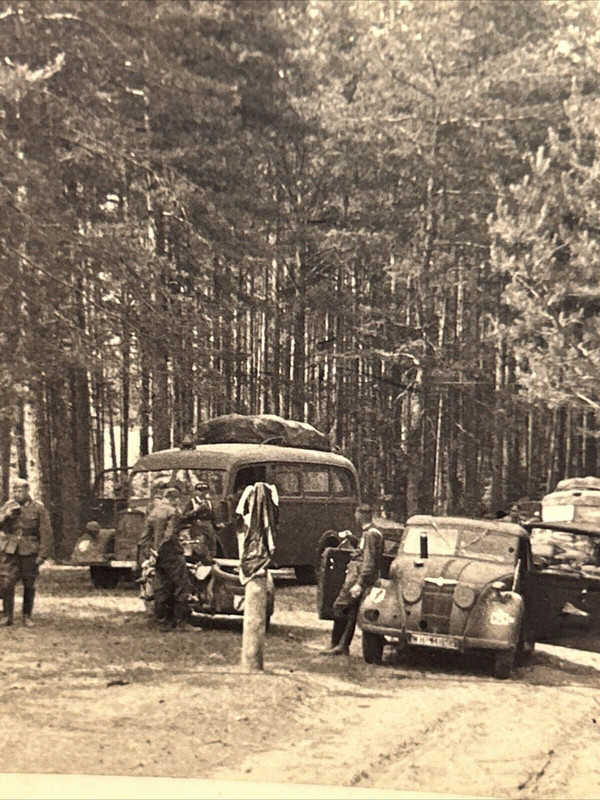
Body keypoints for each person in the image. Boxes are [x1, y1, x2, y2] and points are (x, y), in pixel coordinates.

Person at [321, 504, 383, 656]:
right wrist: (352, 539)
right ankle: (342, 646)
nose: (355, 518)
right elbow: (364, 551)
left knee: (340, 606)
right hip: (360, 576)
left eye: (356, 514)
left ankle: (337, 643)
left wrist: (359, 584)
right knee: (351, 611)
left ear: (360, 516)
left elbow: (368, 562)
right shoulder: (371, 533)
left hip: (357, 578)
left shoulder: (370, 535)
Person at [0, 478, 54, 627]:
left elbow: (46, 532)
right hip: (10, 549)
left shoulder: (38, 508)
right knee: (6, 582)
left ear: (27, 491)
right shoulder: (8, 506)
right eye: (15, 491)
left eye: (20, 491)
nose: (17, 494)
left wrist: (43, 554)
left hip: (30, 549)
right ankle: (7, 616)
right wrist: (6, 516)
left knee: (29, 583)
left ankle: (26, 616)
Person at [139, 484, 192, 631]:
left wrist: (151, 553)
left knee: (161, 588)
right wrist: (160, 550)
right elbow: (169, 535)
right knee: (182, 586)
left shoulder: (154, 512)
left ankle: (162, 622)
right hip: (171, 554)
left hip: (157, 557)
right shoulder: (173, 512)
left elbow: (144, 538)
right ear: (175, 499)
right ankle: (181, 622)